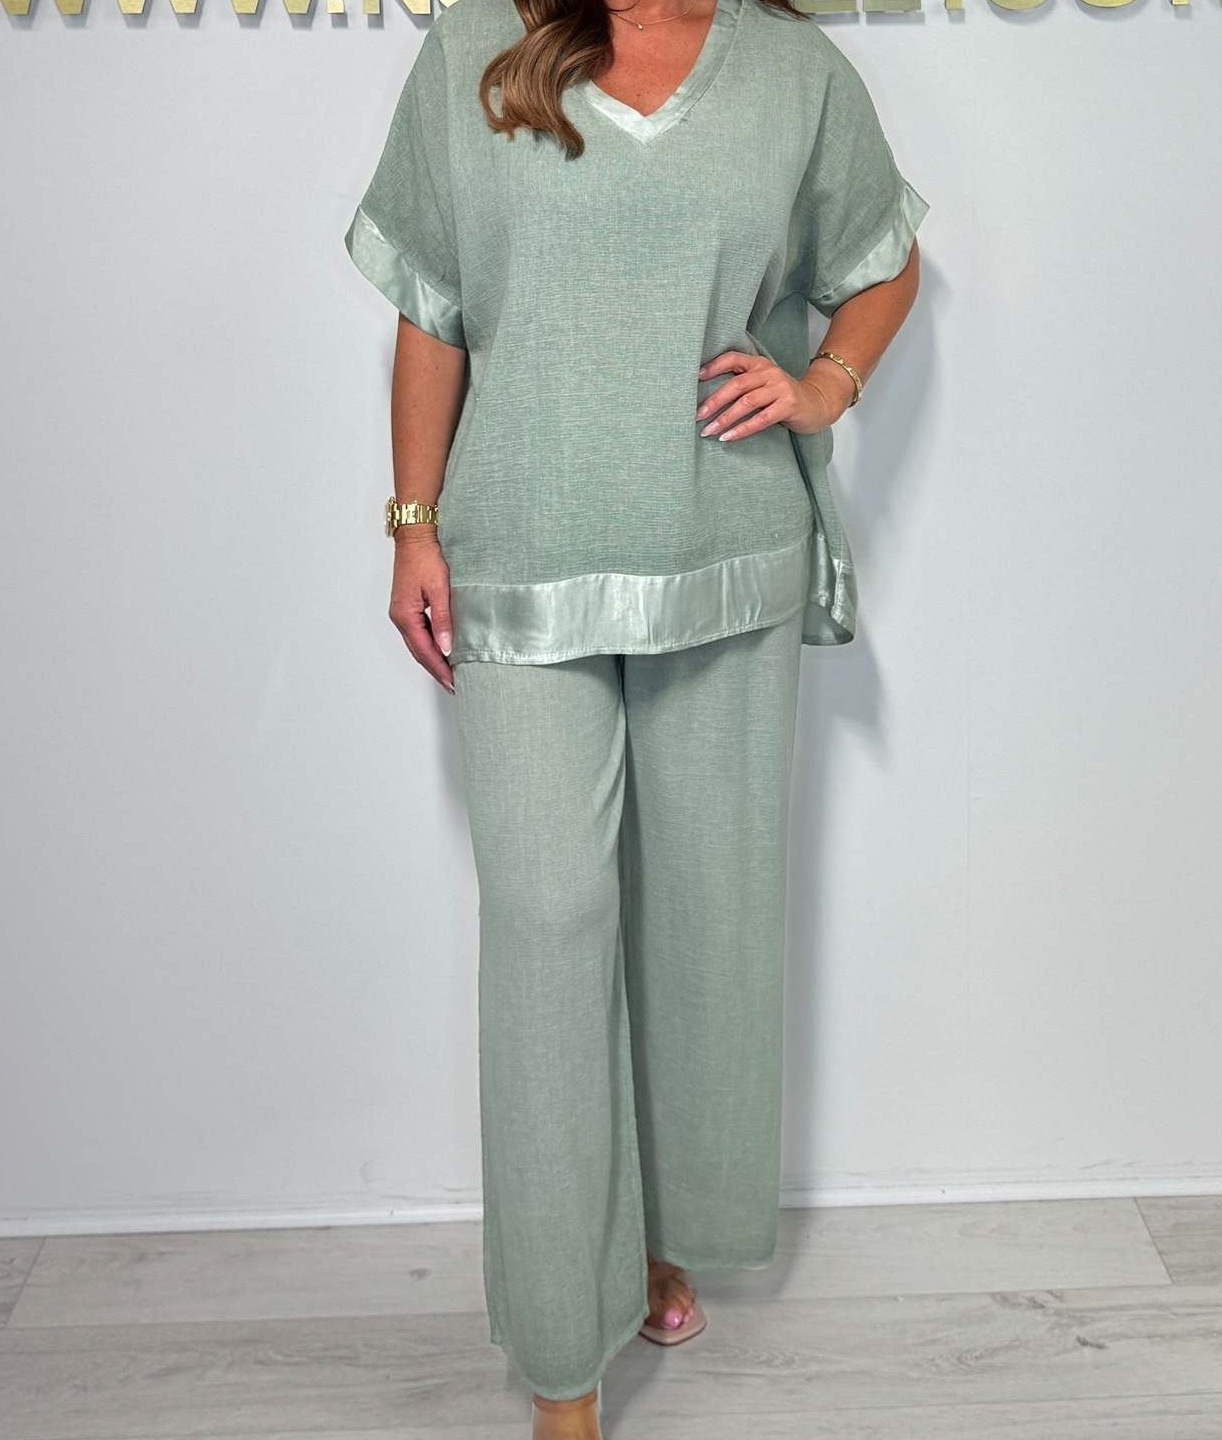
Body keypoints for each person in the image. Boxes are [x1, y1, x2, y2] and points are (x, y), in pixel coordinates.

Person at [343, 0, 926, 1431]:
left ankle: (658, 1236)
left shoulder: (794, 72)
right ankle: (563, 1357)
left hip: (724, 555)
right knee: (548, 924)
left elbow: (884, 260)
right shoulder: (473, 46)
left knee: (703, 921)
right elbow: (431, 311)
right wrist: (413, 525)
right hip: (519, 562)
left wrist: (825, 385)